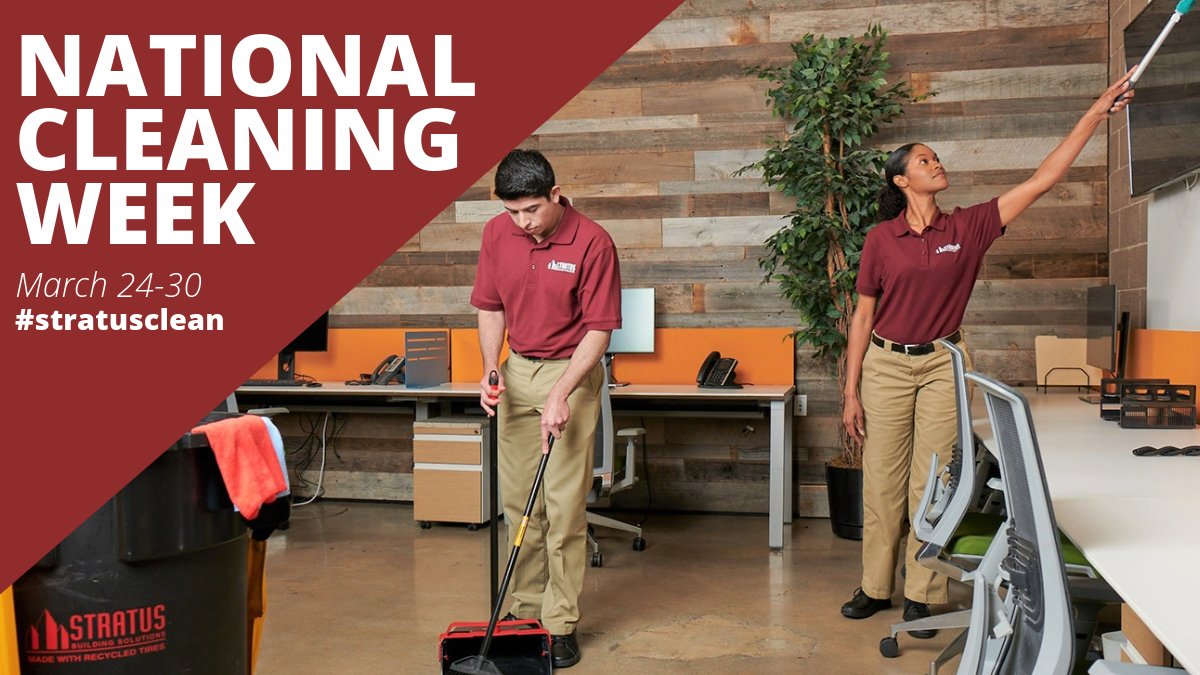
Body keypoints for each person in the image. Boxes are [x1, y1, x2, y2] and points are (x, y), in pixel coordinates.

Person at [839, 69, 1136, 633]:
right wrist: (851, 390)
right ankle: (874, 587)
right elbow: (862, 316)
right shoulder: (881, 239)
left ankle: (921, 592)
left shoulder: (970, 226)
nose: (936, 163)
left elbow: (1043, 179)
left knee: (932, 482)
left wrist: (1094, 114)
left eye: (936, 158)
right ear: (901, 180)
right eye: (924, 160)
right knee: (880, 479)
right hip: (884, 363)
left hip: (942, 363)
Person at [471, 149, 622, 669]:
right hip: (516, 373)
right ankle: (525, 612)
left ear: (556, 195)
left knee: (561, 507)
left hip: (570, 373)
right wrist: (492, 368)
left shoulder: (593, 241)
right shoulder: (497, 234)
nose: (524, 223)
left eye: (532, 210)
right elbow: (489, 307)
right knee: (519, 504)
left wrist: (561, 392)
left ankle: (560, 624)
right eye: (513, 212)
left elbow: (599, 329)